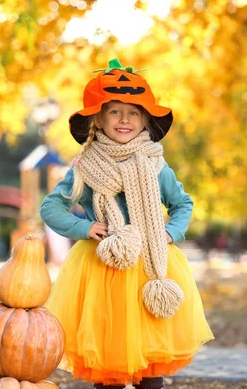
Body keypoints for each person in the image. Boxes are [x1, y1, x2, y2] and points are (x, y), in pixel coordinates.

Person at [40, 59, 214, 389]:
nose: (125, 119)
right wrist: (84, 228)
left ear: (145, 119)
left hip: (150, 267)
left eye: (134, 112)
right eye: (115, 111)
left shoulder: (155, 165)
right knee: (109, 354)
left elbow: (182, 204)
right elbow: (51, 207)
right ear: (98, 118)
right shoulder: (83, 166)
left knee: (150, 362)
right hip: (103, 268)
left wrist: (169, 233)